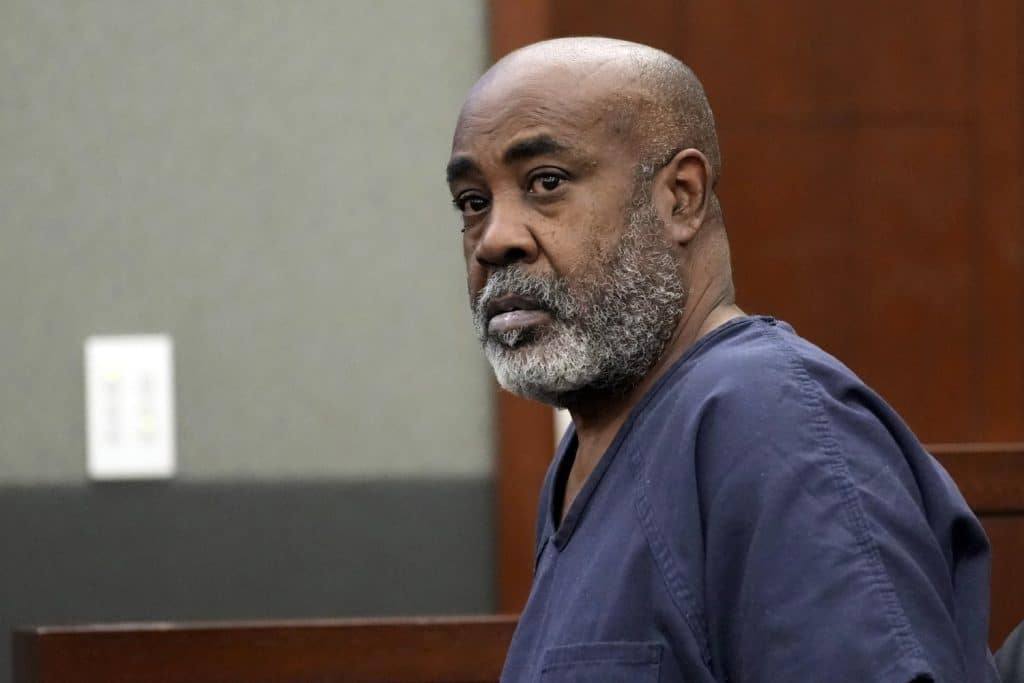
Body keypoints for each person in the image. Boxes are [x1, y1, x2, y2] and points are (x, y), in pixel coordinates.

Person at [446, 37, 999, 682]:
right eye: (472, 202)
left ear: (681, 196)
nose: (494, 239)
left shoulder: (768, 417)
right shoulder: (590, 452)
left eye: (547, 183)